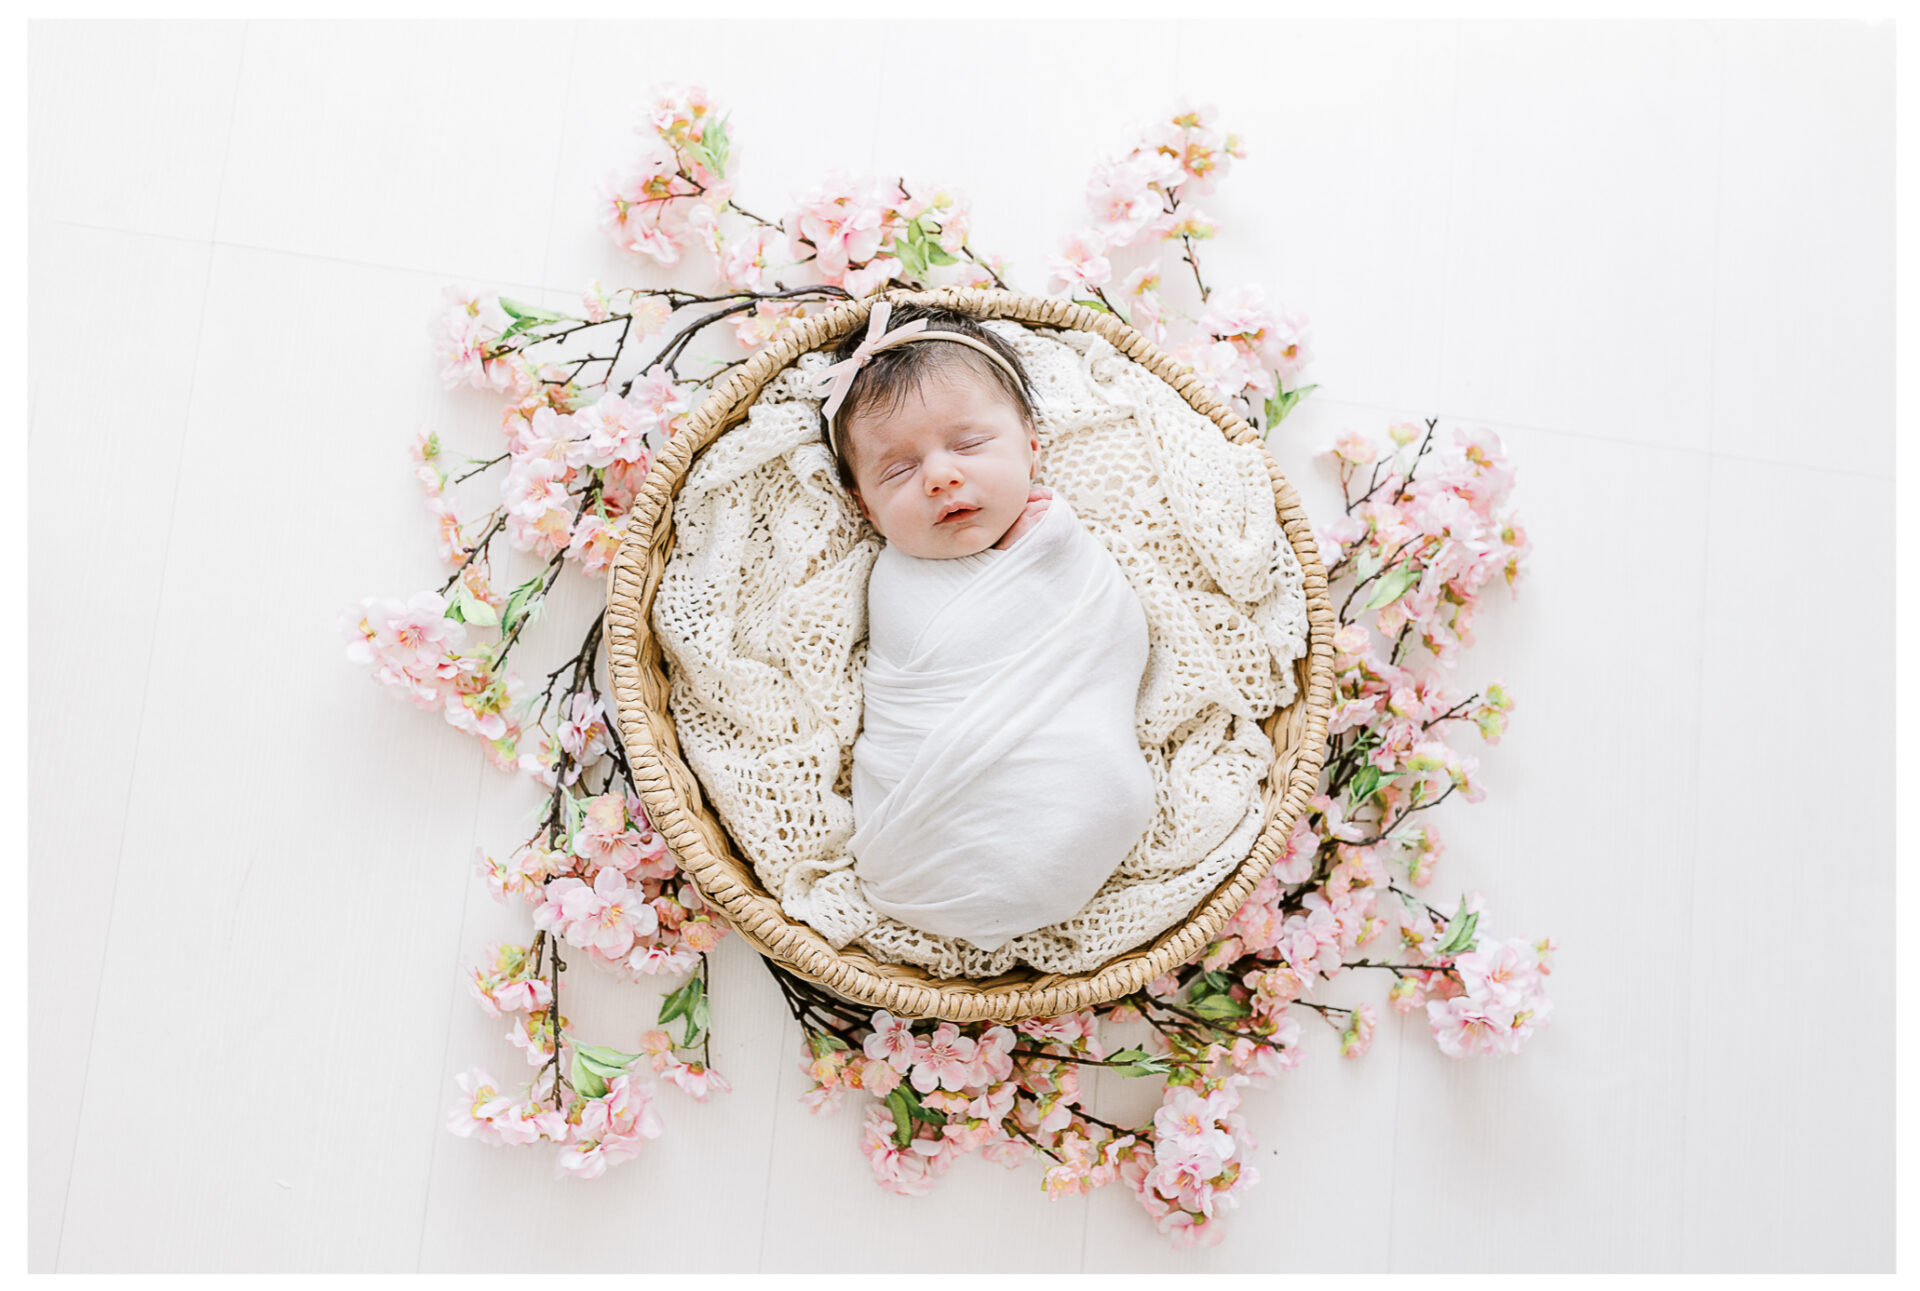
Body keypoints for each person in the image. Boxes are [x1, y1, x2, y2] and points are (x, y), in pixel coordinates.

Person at [816, 300, 1157, 951]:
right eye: (897, 469)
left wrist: (1049, 549)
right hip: (925, 856)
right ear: (865, 508)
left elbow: (1112, 633)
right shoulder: (894, 583)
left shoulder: (1067, 541)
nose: (942, 475)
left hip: (1079, 804)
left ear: (1032, 447)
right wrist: (1031, 554)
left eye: (969, 444)